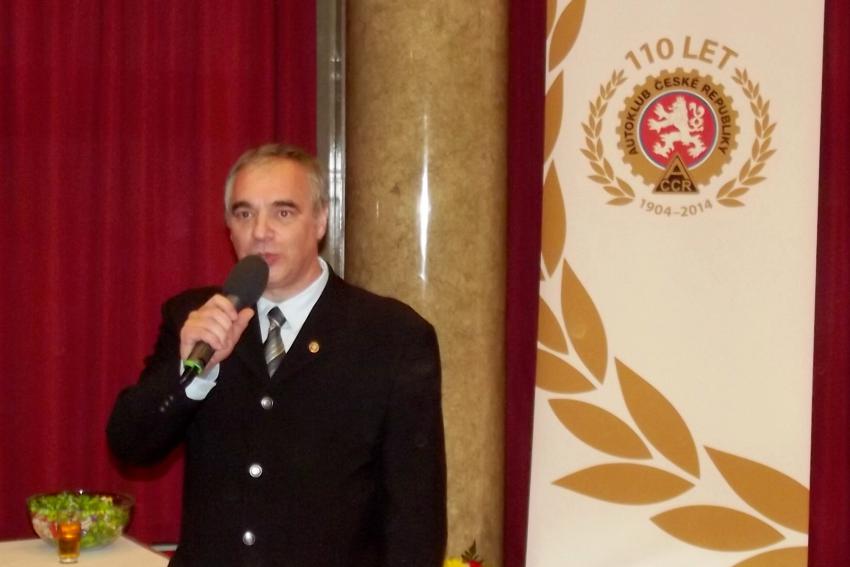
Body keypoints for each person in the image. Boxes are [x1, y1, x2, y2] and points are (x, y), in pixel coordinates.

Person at [107, 143, 447, 567]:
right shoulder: (194, 319)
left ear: (320, 220)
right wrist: (192, 372)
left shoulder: (391, 336)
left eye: (283, 212)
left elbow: (416, 517)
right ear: (229, 227)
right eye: (244, 214)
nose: (260, 231)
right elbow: (131, 445)